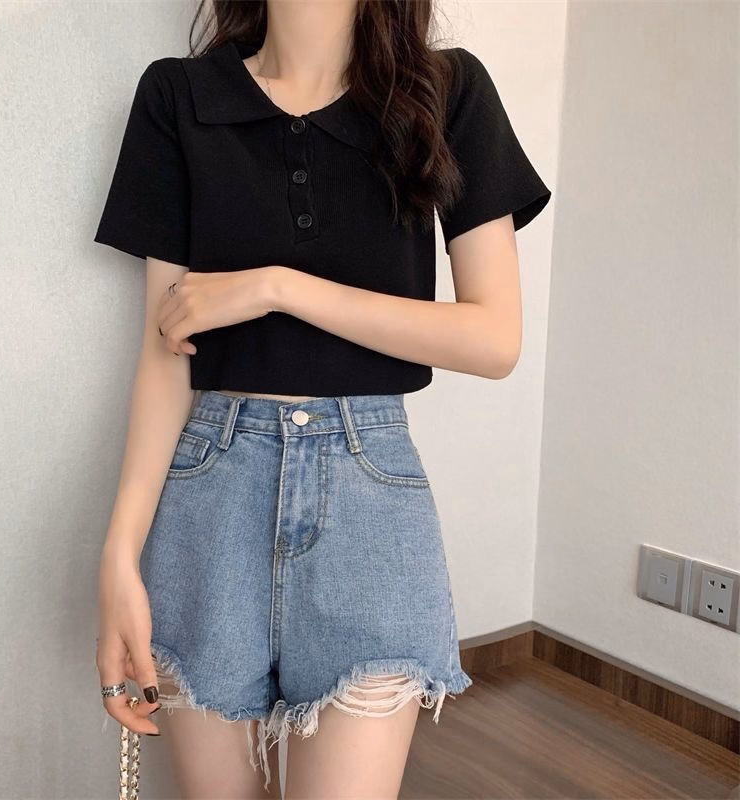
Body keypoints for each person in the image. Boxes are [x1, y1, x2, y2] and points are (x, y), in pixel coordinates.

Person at [93, 1, 551, 797]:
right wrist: (119, 556)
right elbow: (165, 351)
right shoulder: (178, 96)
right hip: (211, 495)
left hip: (370, 500)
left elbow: (493, 338)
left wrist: (279, 287)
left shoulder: (446, 90)